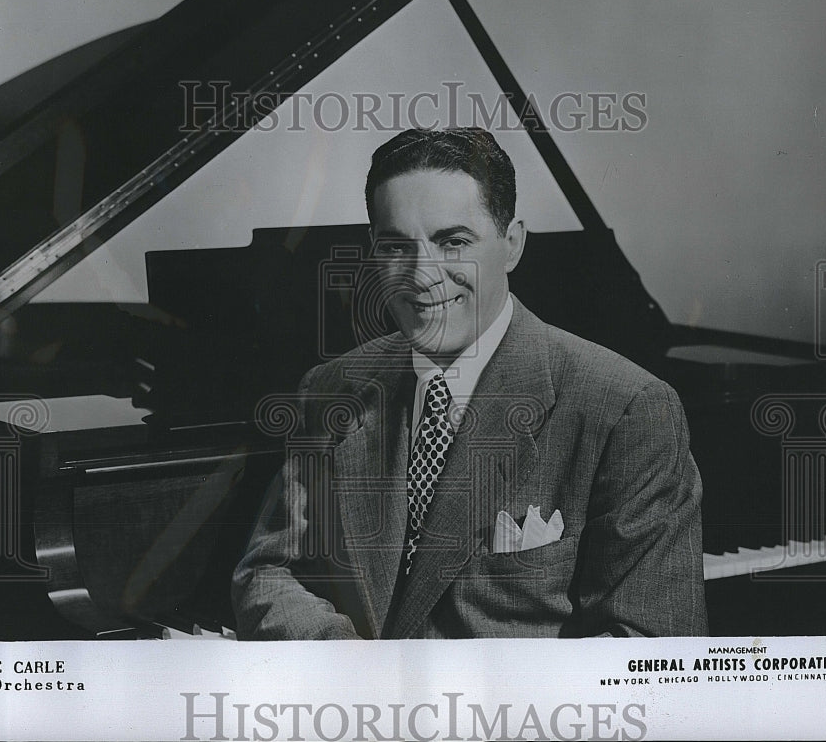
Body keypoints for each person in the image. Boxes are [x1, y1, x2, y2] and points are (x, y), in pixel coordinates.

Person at [232, 127, 708, 639]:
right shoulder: (332, 388)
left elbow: (648, 653)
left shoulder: (626, 409)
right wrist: (351, 669)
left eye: (452, 242)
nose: (422, 275)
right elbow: (269, 572)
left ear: (512, 245)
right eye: (396, 247)